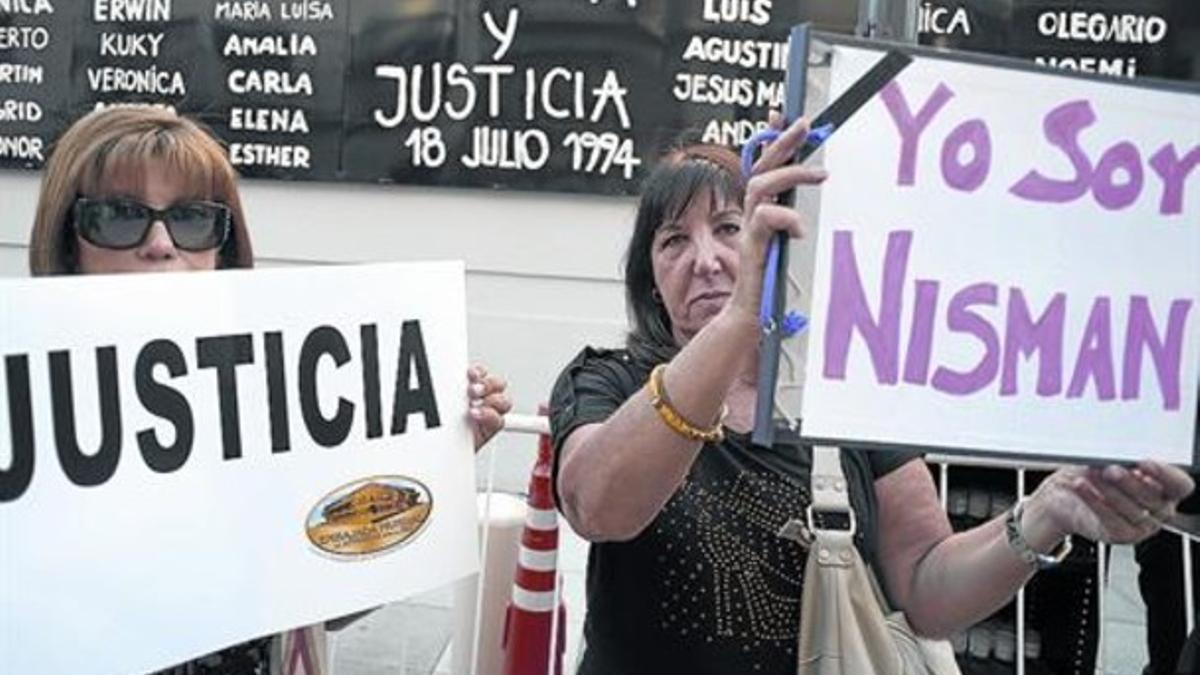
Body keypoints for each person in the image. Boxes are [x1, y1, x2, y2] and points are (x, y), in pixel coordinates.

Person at [548, 116, 1195, 675]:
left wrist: (1047, 510)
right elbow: (600, 505)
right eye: (673, 241)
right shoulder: (607, 381)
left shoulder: (838, 394)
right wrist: (738, 323)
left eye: (728, 228)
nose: (708, 259)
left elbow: (929, 590)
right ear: (650, 280)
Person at [27, 105, 512, 674]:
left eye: (193, 219)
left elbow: (321, 599)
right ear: (67, 239)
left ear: (223, 250)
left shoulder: (266, 398)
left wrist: (429, 461)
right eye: (118, 216)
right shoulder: (21, 404)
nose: (160, 243)